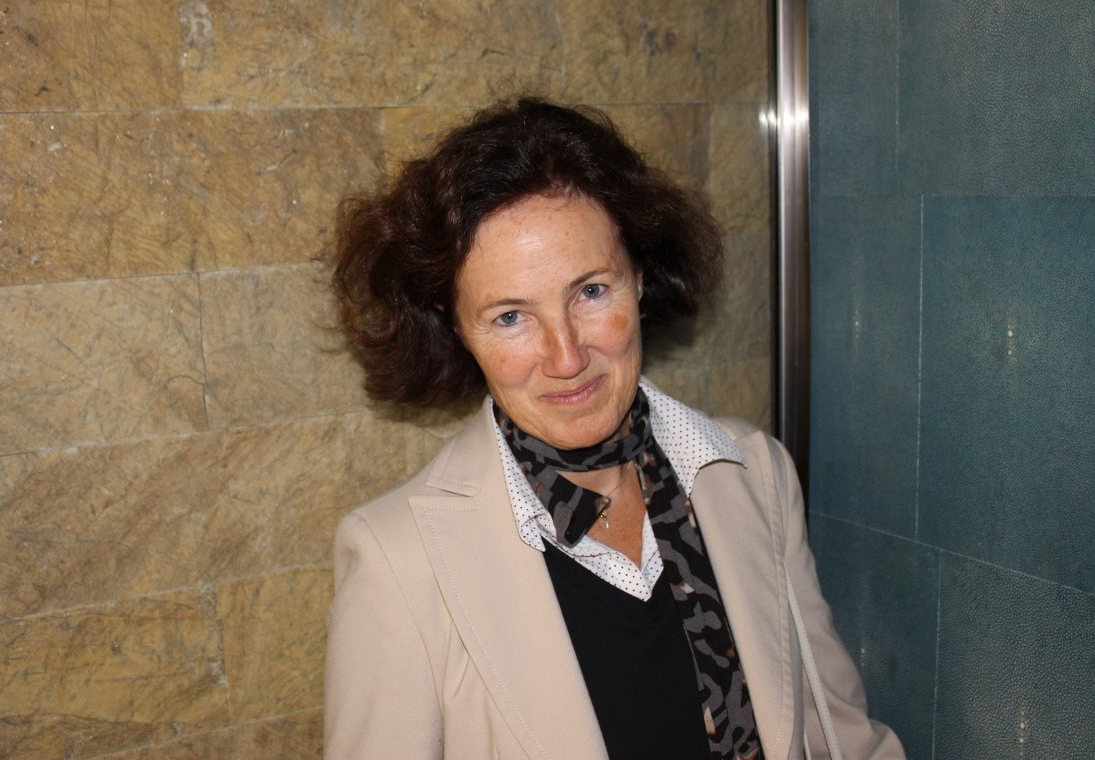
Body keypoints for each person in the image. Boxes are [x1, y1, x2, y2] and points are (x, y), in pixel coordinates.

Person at [324, 98, 904, 760]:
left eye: (591, 291)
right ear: (455, 327)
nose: (566, 356)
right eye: (511, 316)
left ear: (641, 276)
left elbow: (843, 738)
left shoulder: (754, 474)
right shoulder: (398, 563)